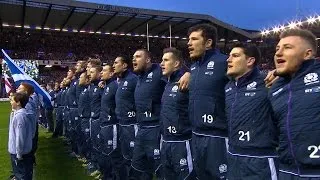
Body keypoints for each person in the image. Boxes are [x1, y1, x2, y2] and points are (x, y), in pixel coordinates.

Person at [269, 29, 320, 179]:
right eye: (277, 48)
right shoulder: (275, 88)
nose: (278, 53)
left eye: (287, 47)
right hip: (286, 172)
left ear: (307, 54)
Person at [225, 43, 278, 179]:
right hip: (232, 155)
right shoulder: (229, 86)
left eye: (235, 56)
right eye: (229, 56)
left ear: (250, 61)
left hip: (260, 159)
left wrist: (282, 76)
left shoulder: (267, 81)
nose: (228, 59)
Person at [187, 23, 229, 180]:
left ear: (208, 43)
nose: (189, 43)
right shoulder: (193, 67)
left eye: (194, 39)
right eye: (188, 40)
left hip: (217, 137)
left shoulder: (224, 62)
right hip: (196, 135)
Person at [160, 47, 195, 180]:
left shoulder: (186, 81)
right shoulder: (167, 83)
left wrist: (189, 72)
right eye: (162, 60)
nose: (161, 63)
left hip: (182, 142)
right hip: (166, 140)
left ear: (176, 64)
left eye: (166, 60)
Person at [98, 64, 125, 180]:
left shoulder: (115, 86)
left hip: (112, 124)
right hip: (105, 124)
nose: (101, 73)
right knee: (107, 153)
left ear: (111, 74)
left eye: (104, 71)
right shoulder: (106, 86)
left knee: (114, 154)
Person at [113, 56, 138, 178]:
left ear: (124, 65)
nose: (113, 65)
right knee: (126, 156)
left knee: (134, 158)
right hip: (122, 124)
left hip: (132, 125)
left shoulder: (133, 79)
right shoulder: (121, 80)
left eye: (116, 63)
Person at [8, 92, 33, 180]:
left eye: (12, 100)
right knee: (22, 174)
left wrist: (19, 154)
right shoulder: (18, 114)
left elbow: (20, 137)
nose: (10, 102)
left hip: (20, 153)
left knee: (22, 175)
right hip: (20, 152)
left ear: (18, 102)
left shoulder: (20, 116)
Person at [88, 65, 104, 176]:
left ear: (99, 74)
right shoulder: (93, 87)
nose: (89, 74)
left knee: (100, 146)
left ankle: (102, 170)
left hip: (99, 120)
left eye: (92, 72)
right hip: (93, 119)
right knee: (94, 144)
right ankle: (97, 167)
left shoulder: (102, 86)